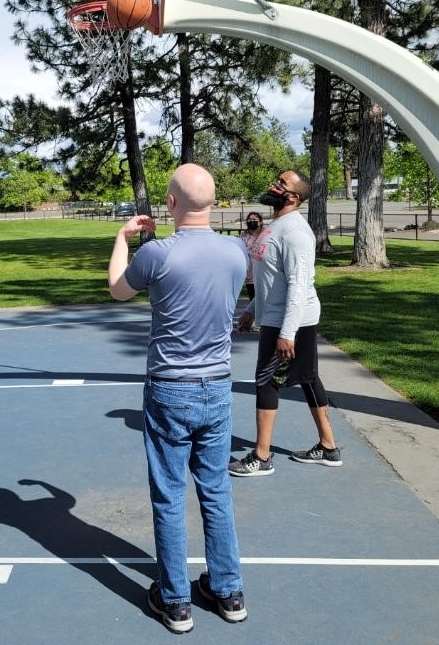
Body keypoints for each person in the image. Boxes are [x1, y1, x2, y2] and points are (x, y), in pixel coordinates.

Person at [108, 164, 249, 633]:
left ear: (170, 203)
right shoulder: (235, 251)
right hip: (218, 386)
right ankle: (227, 591)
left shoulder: (157, 254)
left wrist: (123, 238)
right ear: (212, 202)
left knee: (169, 495)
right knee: (216, 491)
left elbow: (117, 290)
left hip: (171, 387)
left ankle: (175, 601)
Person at [229, 169, 342, 477]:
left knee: (266, 381)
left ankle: (262, 457)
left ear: (292, 197)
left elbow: (298, 284)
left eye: (280, 183)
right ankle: (328, 447)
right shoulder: (277, 227)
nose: (272, 185)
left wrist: (287, 332)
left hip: (290, 322)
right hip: (280, 319)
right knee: (308, 378)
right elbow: (271, 280)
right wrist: (253, 308)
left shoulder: (295, 232)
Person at [239, 211, 265, 302]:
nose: (252, 221)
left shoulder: (266, 234)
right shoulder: (243, 236)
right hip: (250, 274)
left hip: (263, 272)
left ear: (260, 222)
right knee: (253, 300)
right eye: (249, 219)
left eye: (254, 219)